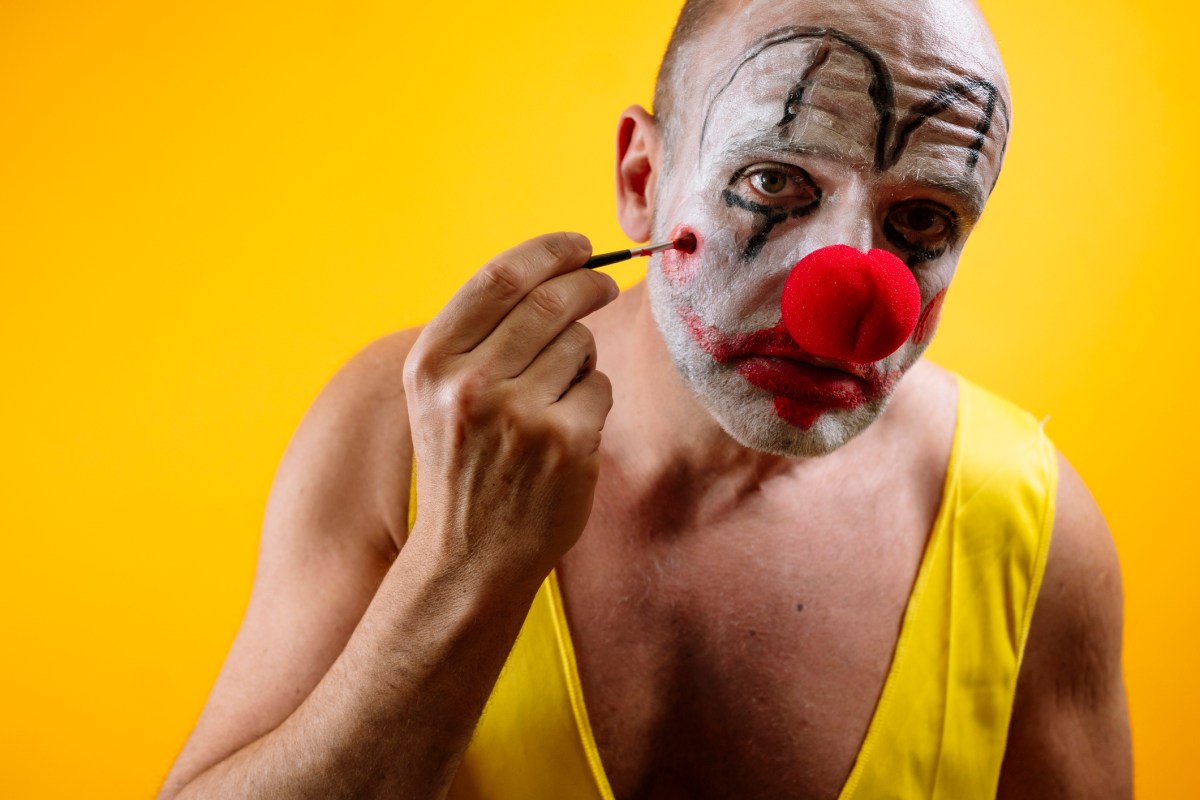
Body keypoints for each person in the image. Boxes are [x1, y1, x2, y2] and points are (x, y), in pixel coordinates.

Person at [159, 0, 1132, 797]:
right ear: (643, 180)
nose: (847, 301)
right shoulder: (415, 426)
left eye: (921, 218)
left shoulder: (1028, 528)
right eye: (774, 180)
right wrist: (463, 562)